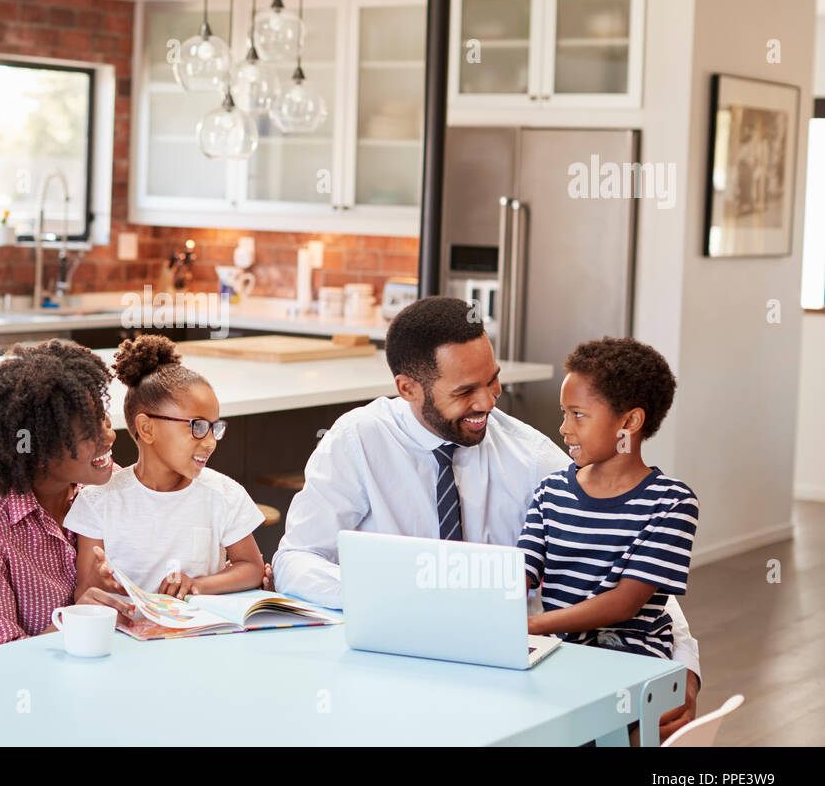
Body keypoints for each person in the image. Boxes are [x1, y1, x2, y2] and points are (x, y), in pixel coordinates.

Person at [273, 296, 701, 738]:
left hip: (504, 676)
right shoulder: (358, 441)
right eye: (464, 392)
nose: (487, 403)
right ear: (408, 389)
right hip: (387, 667)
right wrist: (391, 597)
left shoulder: (530, 455)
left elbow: (630, 572)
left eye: (492, 382)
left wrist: (685, 668)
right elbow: (296, 558)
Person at [0, 339, 135, 652]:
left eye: (103, 419)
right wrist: (74, 618)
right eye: (88, 434)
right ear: (39, 453)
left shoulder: (114, 488)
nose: (109, 435)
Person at [522, 338, 698, 659]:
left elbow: (624, 603)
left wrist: (533, 625)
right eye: (564, 413)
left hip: (632, 658)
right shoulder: (550, 492)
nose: (563, 428)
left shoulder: (672, 502)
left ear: (629, 422)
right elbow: (519, 573)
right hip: (559, 651)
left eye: (578, 415)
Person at [69, 334, 266, 599]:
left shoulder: (224, 494)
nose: (210, 442)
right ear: (147, 428)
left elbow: (251, 567)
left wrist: (198, 585)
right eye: (197, 427)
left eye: (214, 428)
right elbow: (87, 592)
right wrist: (104, 585)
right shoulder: (96, 502)